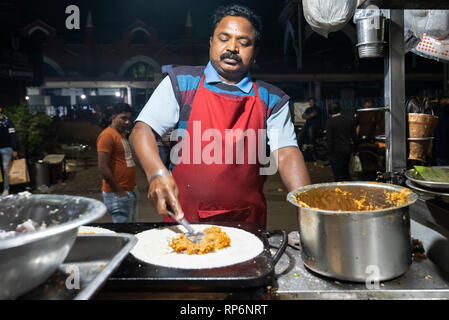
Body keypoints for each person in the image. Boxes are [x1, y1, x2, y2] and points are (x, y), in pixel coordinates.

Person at [130, 4, 310, 229]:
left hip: (247, 225)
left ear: (255, 52)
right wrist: (156, 172)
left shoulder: (271, 99)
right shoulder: (181, 83)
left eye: (244, 42)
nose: (232, 47)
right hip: (185, 222)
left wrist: (308, 212)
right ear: (211, 43)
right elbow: (142, 130)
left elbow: (286, 153)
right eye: (224, 38)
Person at [97, 103, 139, 223]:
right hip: (117, 193)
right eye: (123, 118)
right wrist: (119, 190)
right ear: (113, 116)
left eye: (129, 119)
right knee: (123, 233)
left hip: (129, 190)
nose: (127, 122)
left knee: (132, 229)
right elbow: (102, 167)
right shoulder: (107, 135)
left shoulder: (122, 135)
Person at [325, 102, 356, 182]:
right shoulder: (349, 120)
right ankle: (349, 190)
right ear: (339, 109)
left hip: (336, 151)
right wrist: (355, 149)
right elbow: (354, 137)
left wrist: (329, 153)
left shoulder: (330, 122)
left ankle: (341, 192)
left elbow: (329, 140)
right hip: (347, 150)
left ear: (330, 111)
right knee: (346, 172)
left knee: (338, 175)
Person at [0, 107, 18, 196]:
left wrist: (14, 148)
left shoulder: (8, 122)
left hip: (7, 148)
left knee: (5, 168)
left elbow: (13, 135)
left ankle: (6, 189)